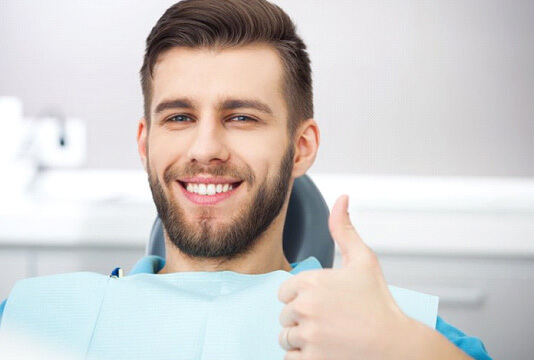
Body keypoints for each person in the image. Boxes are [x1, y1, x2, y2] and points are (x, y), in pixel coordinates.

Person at [0, 0, 492, 359]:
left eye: (241, 117)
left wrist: (401, 347)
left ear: (302, 147)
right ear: (145, 142)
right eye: (178, 118)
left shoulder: (396, 332)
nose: (206, 149)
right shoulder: (30, 317)